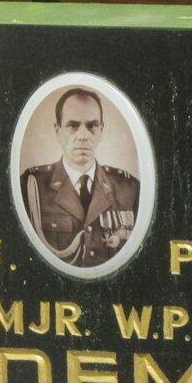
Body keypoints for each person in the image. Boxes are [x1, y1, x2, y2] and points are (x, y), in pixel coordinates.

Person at [20, 88, 140, 269]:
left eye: (92, 126)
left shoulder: (129, 188)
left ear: (101, 130)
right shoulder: (31, 186)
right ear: (58, 131)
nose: (83, 136)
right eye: (73, 125)